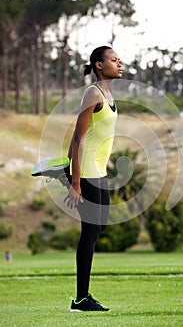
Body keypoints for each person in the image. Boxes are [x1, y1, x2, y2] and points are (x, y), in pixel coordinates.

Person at [64, 46, 123, 312]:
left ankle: (82, 298)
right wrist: (74, 182)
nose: (119, 64)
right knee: (90, 231)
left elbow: (83, 137)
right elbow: (78, 137)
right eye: (113, 60)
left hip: (99, 171)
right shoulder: (92, 93)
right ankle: (80, 299)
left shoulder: (108, 95)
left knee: (100, 227)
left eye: (119, 60)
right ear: (99, 65)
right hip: (86, 170)